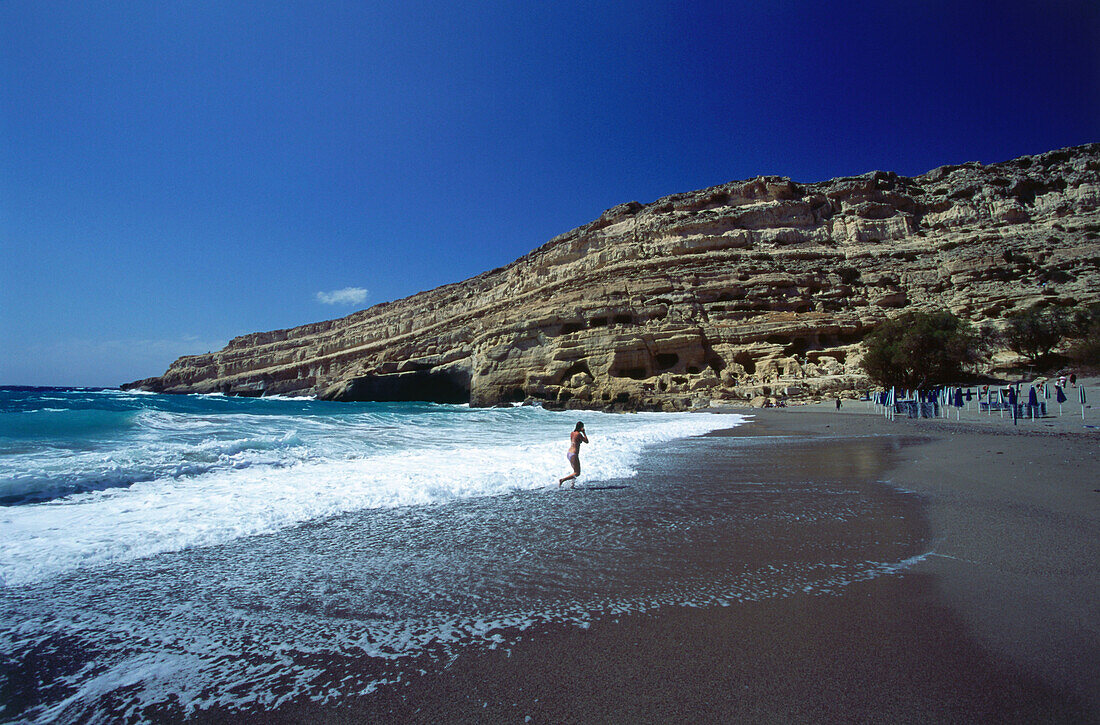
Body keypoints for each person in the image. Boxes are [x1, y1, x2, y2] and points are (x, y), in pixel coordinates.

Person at [558, 421, 589, 488]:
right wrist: (584, 432)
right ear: (581, 427)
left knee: (575, 471)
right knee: (577, 473)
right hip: (574, 454)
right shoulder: (579, 434)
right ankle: (562, 480)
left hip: (569, 453)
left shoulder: (572, 433)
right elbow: (587, 441)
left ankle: (572, 485)